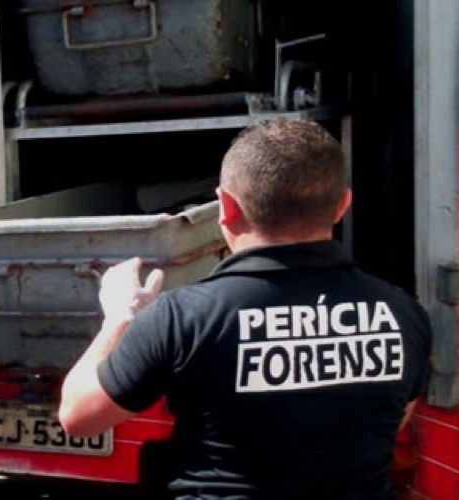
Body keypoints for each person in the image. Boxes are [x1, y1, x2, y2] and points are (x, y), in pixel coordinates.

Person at [58, 118, 433, 499]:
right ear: (342, 206)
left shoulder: (182, 318)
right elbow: (391, 419)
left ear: (226, 206)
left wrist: (120, 319)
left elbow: (78, 417)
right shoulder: (404, 314)